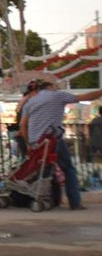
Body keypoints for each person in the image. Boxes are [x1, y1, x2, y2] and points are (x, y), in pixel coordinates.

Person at [18, 80, 102, 210]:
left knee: (42, 169)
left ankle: (48, 197)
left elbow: (22, 125)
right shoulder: (57, 95)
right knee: (68, 168)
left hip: (36, 141)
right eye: (55, 87)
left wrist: (29, 143)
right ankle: (74, 202)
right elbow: (84, 97)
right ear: (50, 87)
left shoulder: (31, 101)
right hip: (51, 139)